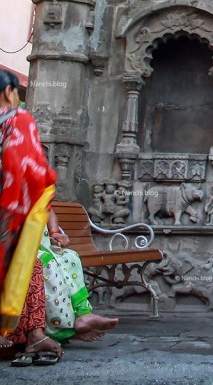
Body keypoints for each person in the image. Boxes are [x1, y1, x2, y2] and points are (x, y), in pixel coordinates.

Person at [0, 69, 62, 365]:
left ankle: (29, 337)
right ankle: (31, 337)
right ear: (10, 92)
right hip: (8, 212)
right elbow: (33, 171)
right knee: (26, 265)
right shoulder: (18, 121)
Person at [39, 209, 118, 342]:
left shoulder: (37, 192)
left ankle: (83, 314)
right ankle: (67, 331)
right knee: (49, 264)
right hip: (21, 247)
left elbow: (47, 208)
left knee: (70, 257)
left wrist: (55, 232)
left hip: (44, 245)